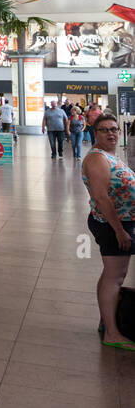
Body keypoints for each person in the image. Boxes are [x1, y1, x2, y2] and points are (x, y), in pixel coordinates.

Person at [82, 112, 135, 350]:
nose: (111, 133)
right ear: (95, 133)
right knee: (115, 277)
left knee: (110, 275)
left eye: (114, 129)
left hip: (120, 222)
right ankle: (112, 333)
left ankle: (106, 320)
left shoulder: (108, 155)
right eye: (105, 130)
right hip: (112, 224)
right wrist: (119, 231)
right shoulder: (96, 159)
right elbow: (101, 198)